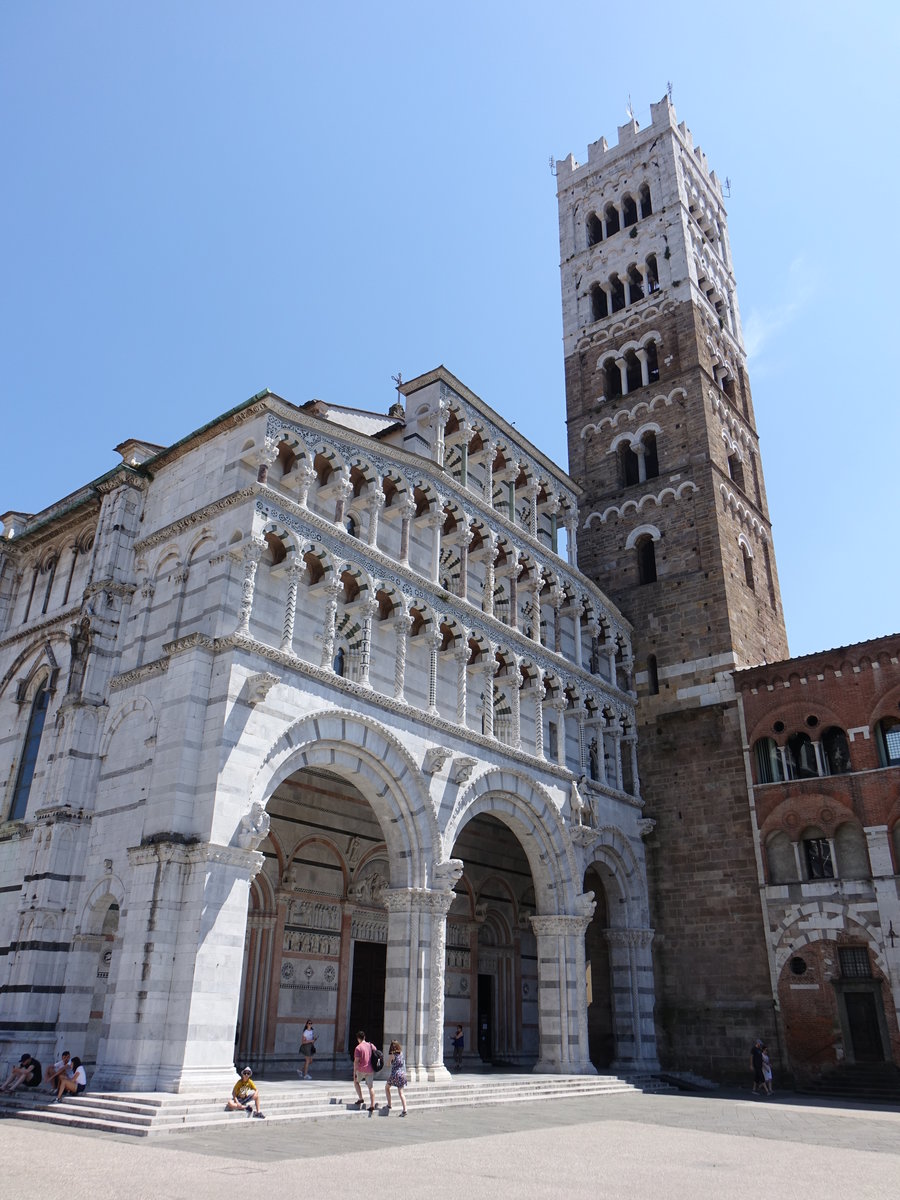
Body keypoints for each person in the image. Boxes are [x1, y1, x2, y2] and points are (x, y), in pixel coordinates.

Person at [353, 1030, 377, 1112]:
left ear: (358, 1039)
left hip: (361, 1069)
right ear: (364, 1037)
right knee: (371, 1087)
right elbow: (376, 1051)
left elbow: (356, 1061)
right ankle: (372, 1105)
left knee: (356, 1082)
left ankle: (361, 1098)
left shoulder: (358, 1048)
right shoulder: (370, 1045)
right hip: (370, 1069)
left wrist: (354, 1073)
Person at [385, 1040, 408, 1116]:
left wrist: (389, 1061)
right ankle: (405, 1109)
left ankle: (389, 1104)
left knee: (387, 1087)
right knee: (401, 1093)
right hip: (402, 1074)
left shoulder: (393, 1055)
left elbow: (388, 1064)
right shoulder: (401, 1054)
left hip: (395, 1074)